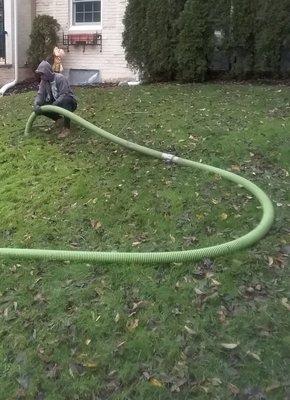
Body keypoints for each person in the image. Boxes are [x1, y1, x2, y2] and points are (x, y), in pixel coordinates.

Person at [34, 60, 77, 138]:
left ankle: (66, 128)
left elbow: (64, 94)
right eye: (40, 75)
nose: (41, 77)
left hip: (69, 103)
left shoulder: (60, 78)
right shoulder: (43, 82)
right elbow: (40, 94)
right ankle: (58, 120)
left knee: (66, 99)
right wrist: (36, 104)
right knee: (41, 106)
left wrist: (54, 105)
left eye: (42, 74)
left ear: (47, 72)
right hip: (55, 104)